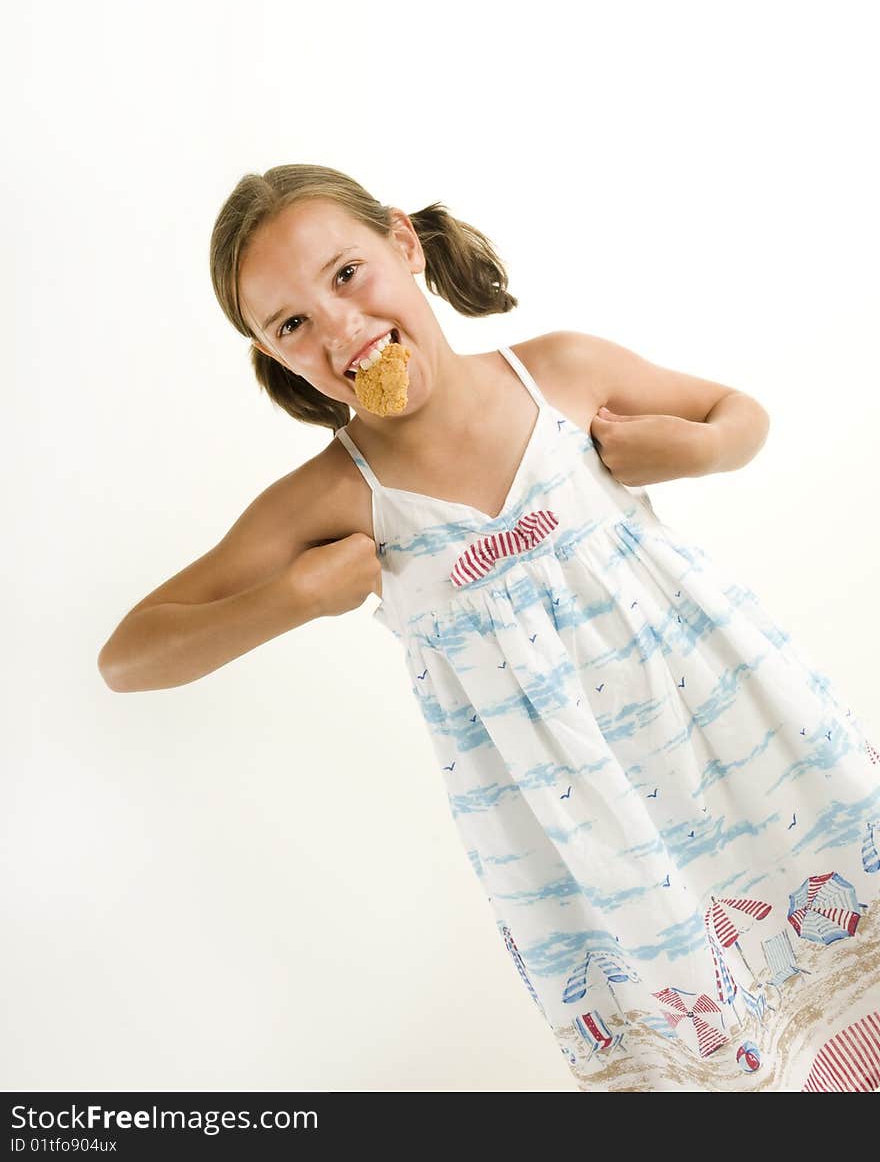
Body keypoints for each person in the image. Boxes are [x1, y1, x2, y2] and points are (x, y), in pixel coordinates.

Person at [98, 163, 880, 1092]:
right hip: (588, 831)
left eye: (345, 274)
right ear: (274, 355)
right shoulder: (343, 495)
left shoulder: (560, 373)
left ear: (402, 241)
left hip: (740, 735)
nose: (340, 327)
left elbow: (737, 413)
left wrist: (702, 448)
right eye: (292, 324)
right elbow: (129, 656)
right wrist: (297, 595)